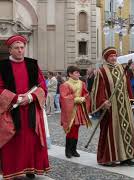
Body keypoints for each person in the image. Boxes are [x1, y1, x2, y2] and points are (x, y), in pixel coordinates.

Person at [0, 35, 50, 179]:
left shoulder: (32, 64)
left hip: (31, 109)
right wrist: (15, 98)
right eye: (16, 48)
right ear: (10, 50)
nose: (20, 51)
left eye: (22, 47)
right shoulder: (2, 66)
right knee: (14, 140)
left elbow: (42, 86)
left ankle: (31, 168)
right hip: (11, 110)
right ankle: (14, 170)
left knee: (31, 140)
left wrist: (30, 97)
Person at [91, 47, 134, 166]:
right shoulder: (102, 71)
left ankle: (126, 157)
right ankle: (107, 158)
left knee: (127, 129)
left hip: (125, 107)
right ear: (106, 58)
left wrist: (131, 102)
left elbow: (128, 86)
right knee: (111, 132)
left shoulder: (122, 68)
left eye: (115, 55)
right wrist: (103, 102)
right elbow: (97, 90)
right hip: (111, 108)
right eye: (111, 56)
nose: (113, 58)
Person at [60, 66, 91, 158]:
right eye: (76, 73)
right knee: (70, 129)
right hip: (70, 111)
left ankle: (74, 150)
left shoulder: (82, 83)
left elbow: (86, 93)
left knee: (76, 129)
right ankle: (68, 150)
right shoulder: (65, 85)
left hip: (79, 110)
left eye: (78, 72)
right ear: (70, 74)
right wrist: (77, 99)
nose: (78, 74)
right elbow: (64, 98)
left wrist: (84, 97)